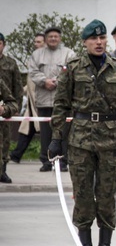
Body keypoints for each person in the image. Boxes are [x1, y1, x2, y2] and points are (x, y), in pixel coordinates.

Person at [49, 19, 116, 246]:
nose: (99, 42)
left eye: (102, 38)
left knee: (107, 194)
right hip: (80, 140)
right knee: (84, 194)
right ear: (85, 42)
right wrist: (57, 138)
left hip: (110, 139)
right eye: (93, 39)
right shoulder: (73, 68)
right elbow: (61, 105)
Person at [27, 26, 76, 171]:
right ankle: (46, 161)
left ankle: (63, 161)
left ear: (60, 38)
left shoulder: (69, 53)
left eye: (56, 36)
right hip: (44, 100)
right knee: (45, 133)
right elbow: (32, 71)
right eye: (50, 36)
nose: (53, 39)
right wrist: (44, 81)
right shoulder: (37, 54)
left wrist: (56, 81)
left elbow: (71, 71)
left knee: (64, 132)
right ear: (46, 39)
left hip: (63, 101)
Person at [10, 33, 46, 164]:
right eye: (35, 41)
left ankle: (49, 157)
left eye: (39, 42)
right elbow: (30, 82)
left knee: (46, 130)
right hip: (32, 101)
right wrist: (18, 93)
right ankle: (16, 154)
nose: (36, 44)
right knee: (27, 128)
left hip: (41, 102)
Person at [0, 32, 23, 183]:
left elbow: (18, 88)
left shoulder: (10, 63)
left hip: (5, 107)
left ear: (3, 44)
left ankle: (3, 171)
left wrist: (15, 108)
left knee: (5, 141)